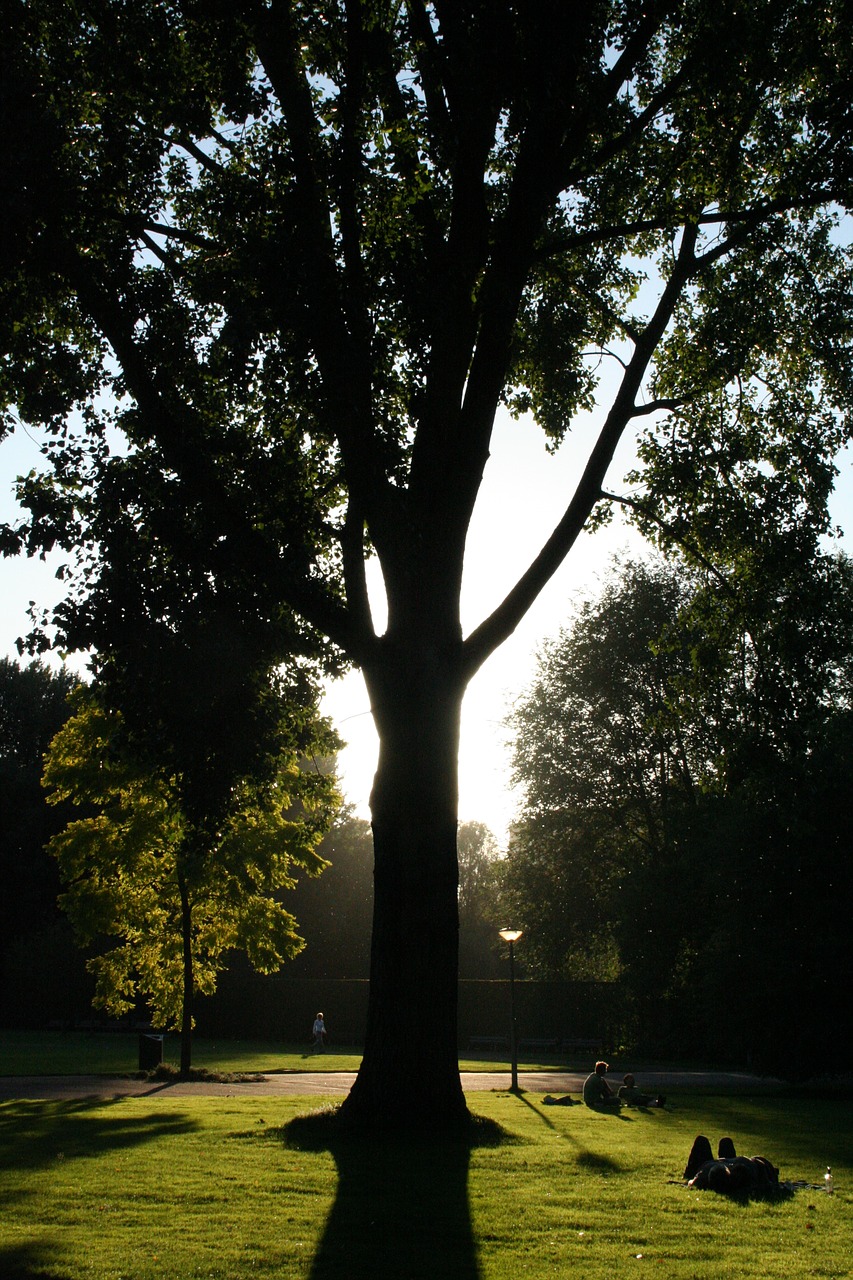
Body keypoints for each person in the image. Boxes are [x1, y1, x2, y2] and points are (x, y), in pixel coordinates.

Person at [684, 1135, 780, 1195]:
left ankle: (689, 1173)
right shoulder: (750, 1168)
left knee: (702, 1141)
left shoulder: (704, 1174)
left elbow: (692, 1183)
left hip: (708, 1164)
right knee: (726, 1141)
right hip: (736, 1163)